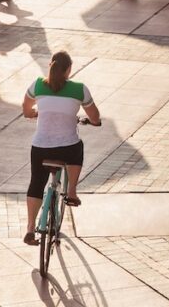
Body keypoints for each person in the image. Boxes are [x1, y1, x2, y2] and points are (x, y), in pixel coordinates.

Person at [21, 51, 101, 246]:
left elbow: (25, 109)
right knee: (77, 147)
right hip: (67, 148)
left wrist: (35, 113)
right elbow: (95, 117)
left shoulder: (38, 84)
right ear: (68, 70)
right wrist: (92, 121)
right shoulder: (80, 89)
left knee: (36, 184)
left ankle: (31, 228)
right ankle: (72, 191)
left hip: (40, 147)